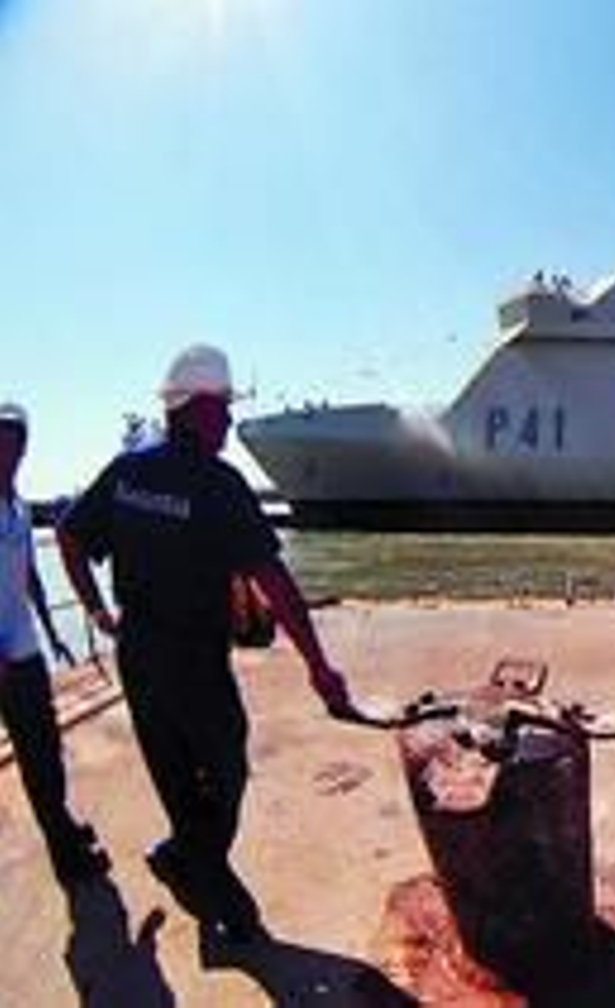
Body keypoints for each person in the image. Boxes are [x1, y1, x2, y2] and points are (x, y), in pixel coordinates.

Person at [56, 344, 356, 946]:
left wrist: (95, 608)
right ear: (193, 408)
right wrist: (319, 667)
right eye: (221, 408)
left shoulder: (126, 472)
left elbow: (68, 536)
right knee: (226, 770)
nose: (227, 421)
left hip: (139, 655)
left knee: (178, 782)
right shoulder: (218, 484)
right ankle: (216, 893)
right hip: (193, 661)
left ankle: (189, 865)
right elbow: (276, 581)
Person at [0, 401, 111, 888]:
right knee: (35, 757)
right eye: (2, 440)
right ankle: (67, 858)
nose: (10, 450)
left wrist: (49, 632)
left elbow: (28, 578)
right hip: (3, 661)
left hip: (27, 653)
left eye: (17, 441)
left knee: (46, 751)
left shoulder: (20, 509)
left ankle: (62, 825)